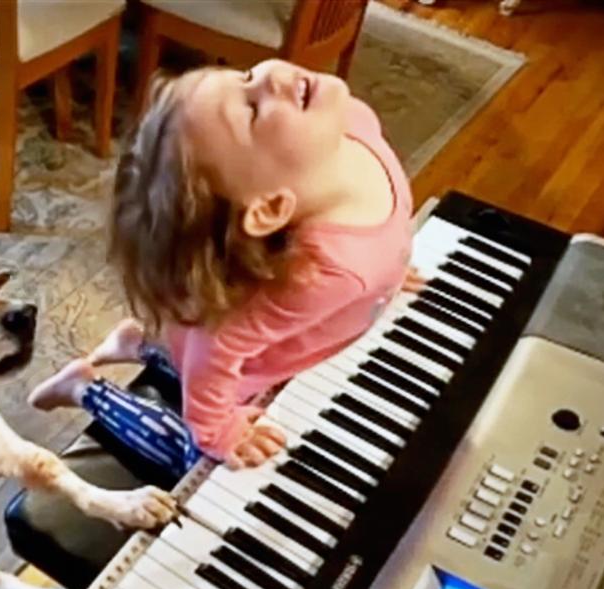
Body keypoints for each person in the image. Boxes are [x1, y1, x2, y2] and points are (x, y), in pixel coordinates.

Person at [29, 59, 423, 480]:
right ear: (271, 207)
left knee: (194, 344)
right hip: (238, 366)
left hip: (227, 330)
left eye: (245, 77)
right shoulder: (319, 272)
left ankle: (140, 341)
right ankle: (82, 387)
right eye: (252, 110)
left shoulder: (354, 122)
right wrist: (216, 432)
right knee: (189, 456)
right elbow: (214, 351)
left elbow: (384, 221)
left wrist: (389, 270)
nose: (269, 75)